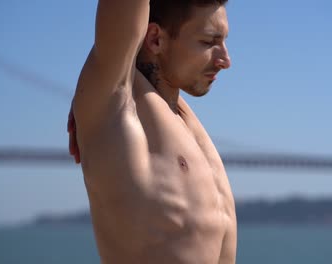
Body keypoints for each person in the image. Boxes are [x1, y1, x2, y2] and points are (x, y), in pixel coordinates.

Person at [67, 0, 236, 263]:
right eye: (208, 42)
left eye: (224, 42)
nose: (226, 60)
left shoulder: (182, 120)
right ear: (155, 38)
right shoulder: (117, 105)